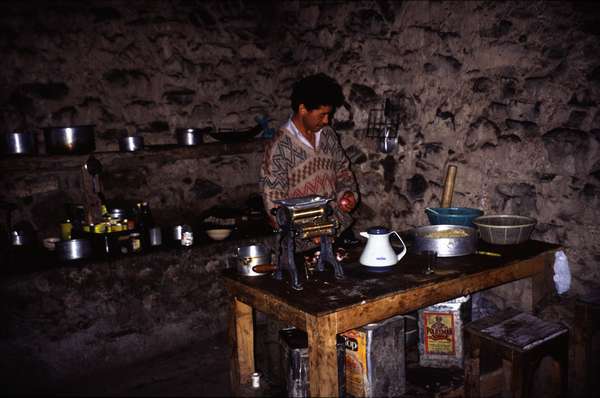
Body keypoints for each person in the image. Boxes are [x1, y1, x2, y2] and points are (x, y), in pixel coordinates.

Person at [260, 73, 358, 245]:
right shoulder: (280, 147)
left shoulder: (328, 135)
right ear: (303, 109)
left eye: (329, 114)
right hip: (302, 244)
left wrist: (347, 194)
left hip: (338, 231)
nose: (327, 120)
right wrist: (309, 232)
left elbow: (343, 170)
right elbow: (274, 204)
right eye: (322, 114)